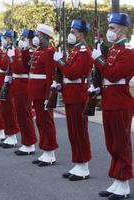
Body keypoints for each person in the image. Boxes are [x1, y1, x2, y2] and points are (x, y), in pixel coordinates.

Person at [91, 12, 134, 200]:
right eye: (109, 28)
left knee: (121, 144)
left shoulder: (129, 53)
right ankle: (117, 180)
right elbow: (106, 77)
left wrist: (99, 59)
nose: (109, 31)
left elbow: (114, 74)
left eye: (112, 28)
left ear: (122, 30)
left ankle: (124, 184)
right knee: (112, 144)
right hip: (109, 101)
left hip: (120, 102)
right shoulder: (112, 50)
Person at [53, 19, 93, 181]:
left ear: (81, 35)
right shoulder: (75, 51)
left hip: (78, 96)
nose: (70, 34)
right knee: (73, 132)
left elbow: (72, 73)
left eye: (73, 32)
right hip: (71, 94)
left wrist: (59, 61)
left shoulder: (83, 52)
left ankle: (84, 166)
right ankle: (78, 163)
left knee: (79, 132)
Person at [27, 24, 58, 166]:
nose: (36, 37)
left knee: (46, 121)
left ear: (45, 36)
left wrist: (48, 97)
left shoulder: (49, 51)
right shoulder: (39, 50)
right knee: (40, 121)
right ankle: (45, 150)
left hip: (42, 91)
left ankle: (50, 152)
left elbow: (50, 76)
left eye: (39, 35)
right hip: (36, 91)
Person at [7, 28, 37, 156]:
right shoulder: (22, 52)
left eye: (24, 38)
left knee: (25, 115)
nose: (22, 40)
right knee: (20, 115)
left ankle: (29, 143)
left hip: (24, 86)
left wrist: (13, 58)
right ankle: (26, 142)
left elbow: (22, 68)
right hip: (18, 85)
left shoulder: (31, 52)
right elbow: (15, 68)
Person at [0, 32, 20, 149]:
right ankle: (9, 134)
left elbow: (4, 65)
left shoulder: (14, 50)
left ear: (11, 39)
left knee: (9, 111)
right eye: (4, 38)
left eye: (6, 38)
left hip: (9, 83)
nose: (4, 40)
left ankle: (13, 136)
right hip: (3, 81)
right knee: (5, 111)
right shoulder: (7, 50)